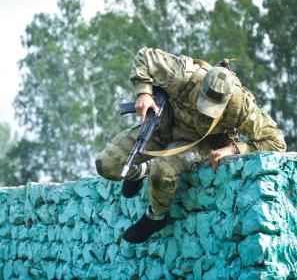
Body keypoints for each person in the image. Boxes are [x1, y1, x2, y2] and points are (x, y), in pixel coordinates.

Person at [95, 47, 286, 243]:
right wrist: (143, 92)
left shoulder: (241, 107)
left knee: (161, 170)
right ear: (201, 83)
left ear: (228, 99)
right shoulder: (183, 75)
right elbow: (144, 56)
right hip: (164, 124)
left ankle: (155, 217)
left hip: (200, 142)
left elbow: (276, 142)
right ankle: (138, 170)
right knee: (106, 166)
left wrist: (234, 149)